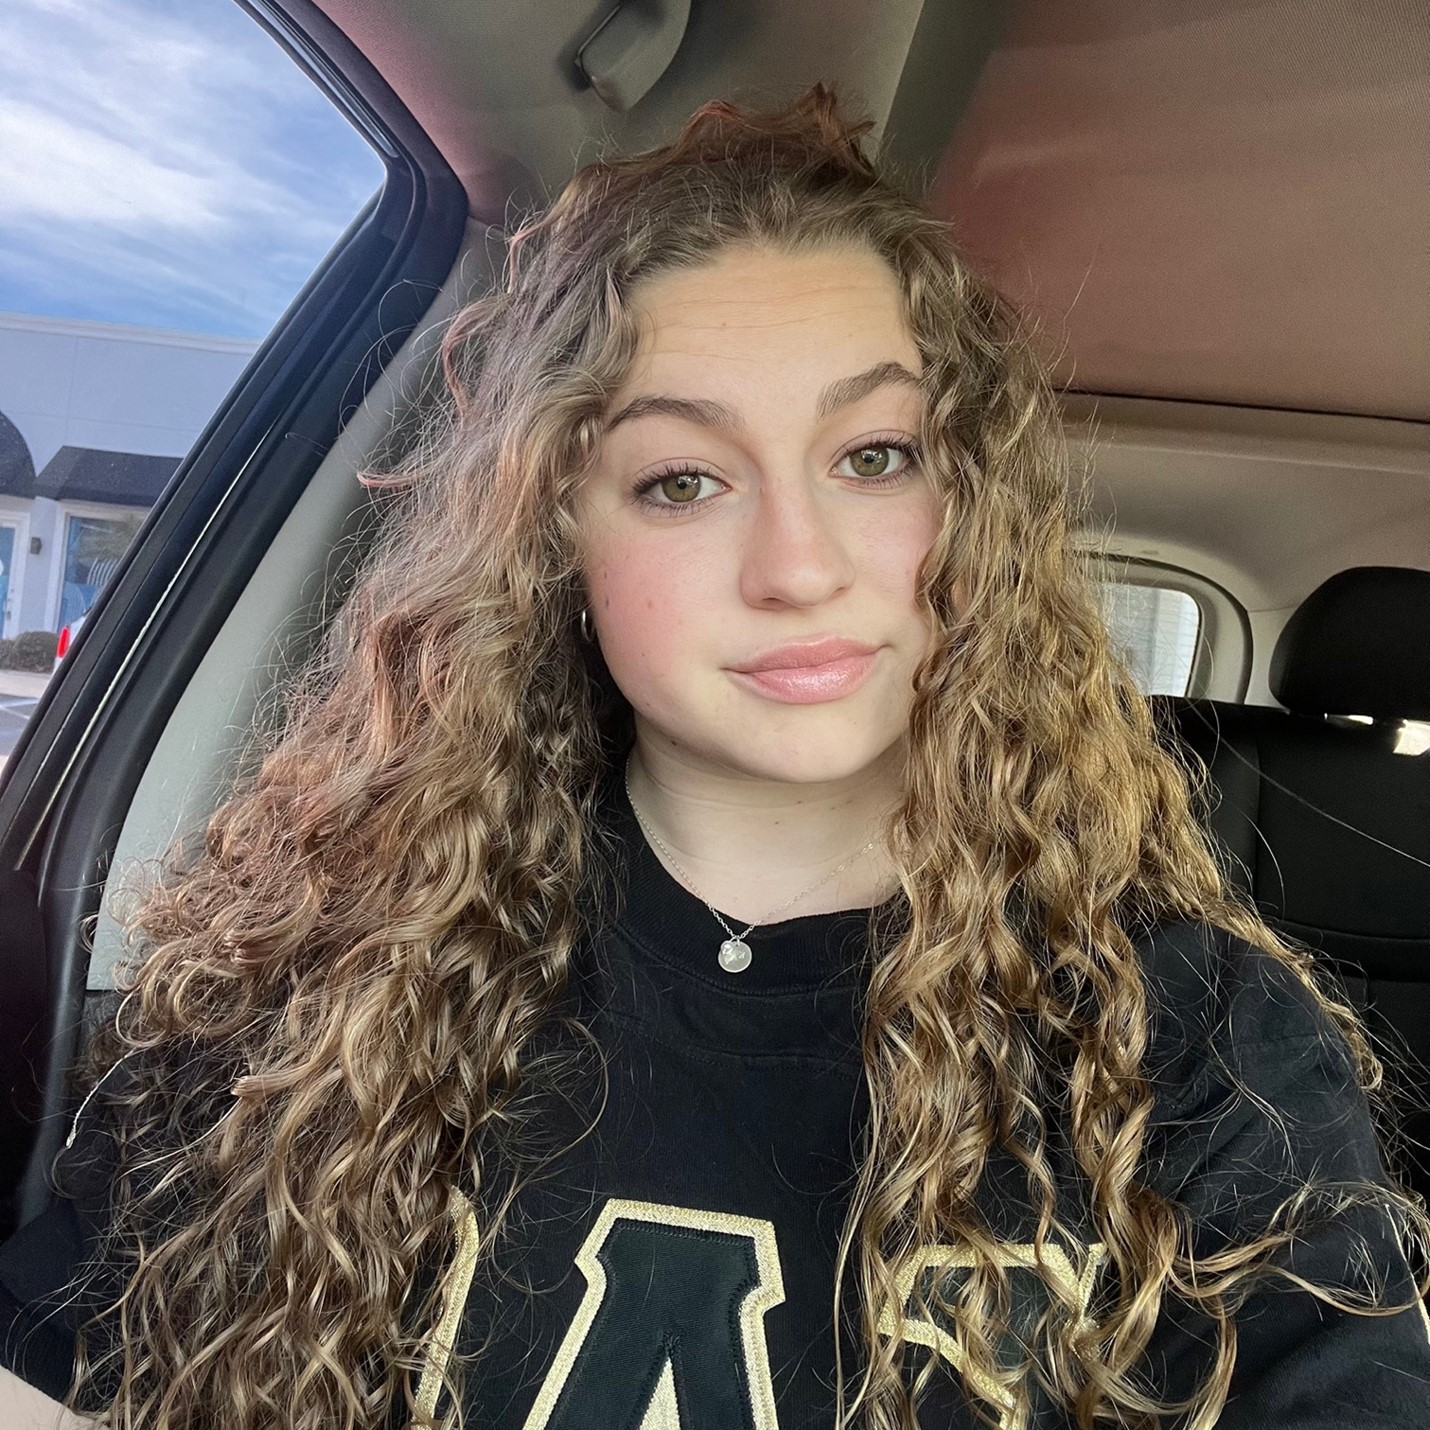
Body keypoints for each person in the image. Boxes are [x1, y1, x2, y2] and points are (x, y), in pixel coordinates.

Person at [0, 86, 1426, 1430]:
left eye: (874, 454)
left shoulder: (1195, 1045)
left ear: (969, 495)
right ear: (557, 537)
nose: (798, 567)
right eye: (682, 479)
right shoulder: (316, 980)